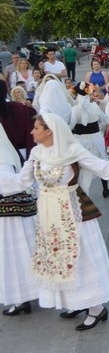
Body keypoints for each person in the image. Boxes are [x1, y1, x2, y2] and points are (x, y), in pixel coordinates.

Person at [0, 113, 109, 329]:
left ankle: (96, 308)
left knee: (81, 257)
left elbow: (103, 168)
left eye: (36, 128)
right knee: (59, 258)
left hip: (73, 211)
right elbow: (22, 181)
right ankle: (76, 302)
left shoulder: (72, 151)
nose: (32, 132)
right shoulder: (36, 153)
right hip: (48, 215)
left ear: (49, 131)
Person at [0, 126, 38, 316]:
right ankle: (22, 298)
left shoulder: (3, 158)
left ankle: (22, 297)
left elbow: (12, 181)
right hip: (13, 213)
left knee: (15, 258)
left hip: (10, 216)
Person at [71, 82, 109, 198]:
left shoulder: (75, 109)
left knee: (82, 166)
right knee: (102, 162)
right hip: (96, 139)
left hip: (81, 140)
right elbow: (105, 120)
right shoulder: (94, 106)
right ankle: (105, 189)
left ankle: (83, 192)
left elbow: (71, 125)